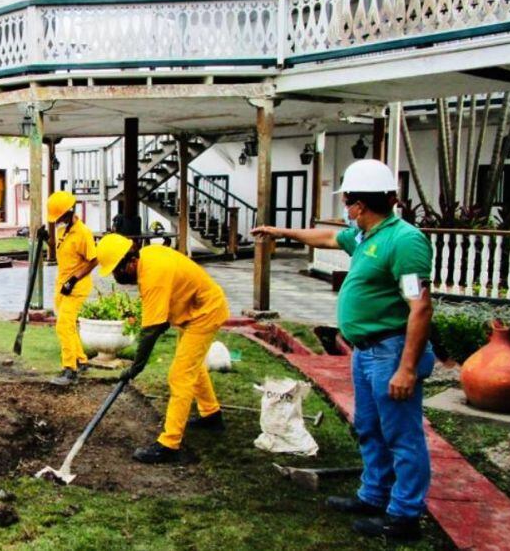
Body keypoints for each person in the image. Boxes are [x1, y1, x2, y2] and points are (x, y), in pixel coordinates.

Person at [251, 159, 434, 541]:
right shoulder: (366, 236)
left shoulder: (404, 241)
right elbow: (326, 238)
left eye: (346, 202)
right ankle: (373, 495)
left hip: (391, 352)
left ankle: (404, 516)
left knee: (401, 435)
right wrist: (277, 231)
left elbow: (421, 306)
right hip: (365, 353)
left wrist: (407, 368)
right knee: (369, 427)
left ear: (358, 205)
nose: (345, 211)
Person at [95, 233, 230, 463]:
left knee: (179, 376)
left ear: (130, 260)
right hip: (192, 310)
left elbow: (151, 331)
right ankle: (211, 414)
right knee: (192, 368)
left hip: (204, 312)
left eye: (117, 271)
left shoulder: (152, 275)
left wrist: (135, 368)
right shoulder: (148, 258)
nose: (117, 278)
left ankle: (169, 445)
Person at [46, 191, 98, 387]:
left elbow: (94, 260)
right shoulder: (62, 230)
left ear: (69, 212)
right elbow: (60, 250)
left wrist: (74, 279)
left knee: (63, 326)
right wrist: (46, 240)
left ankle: (70, 370)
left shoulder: (83, 232)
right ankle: (81, 360)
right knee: (68, 324)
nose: (57, 220)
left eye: (59, 216)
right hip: (62, 284)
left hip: (77, 286)